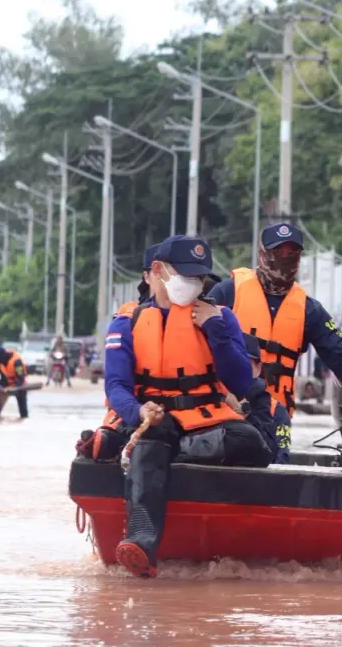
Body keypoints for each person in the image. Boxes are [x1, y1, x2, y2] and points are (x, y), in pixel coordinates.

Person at [103, 234, 271, 579]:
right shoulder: (127, 322)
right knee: (156, 434)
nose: (193, 284)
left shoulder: (221, 318)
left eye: (199, 278)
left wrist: (214, 329)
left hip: (202, 419)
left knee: (252, 444)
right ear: (158, 271)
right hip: (152, 417)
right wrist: (138, 411)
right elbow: (116, 386)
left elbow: (241, 382)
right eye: (185, 275)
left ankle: (172, 455)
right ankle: (141, 541)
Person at [207, 223, 342, 416]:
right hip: (228, 409)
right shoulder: (228, 292)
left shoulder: (309, 309)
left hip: (276, 415)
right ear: (262, 254)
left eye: (292, 252)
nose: (284, 257)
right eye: (277, 251)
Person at [239, 332, 290, 464]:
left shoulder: (278, 411)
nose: (239, 371)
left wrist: (244, 411)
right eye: (235, 365)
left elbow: (281, 457)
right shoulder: (218, 401)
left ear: (258, 368)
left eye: (246, 365)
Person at [115, 244, 160, 317]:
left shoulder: (182, 316)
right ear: (147, 277)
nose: (167, 277)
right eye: (158, 271)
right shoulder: (130, 318)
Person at [0, 347, 29, 419]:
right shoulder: (1, 364)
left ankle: (24, 420)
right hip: (8, 385)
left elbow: (21, 378)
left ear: (2, 356)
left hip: (20, 386)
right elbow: (3, 379)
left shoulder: (17, 362)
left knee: (23, 410)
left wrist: (14, 387)